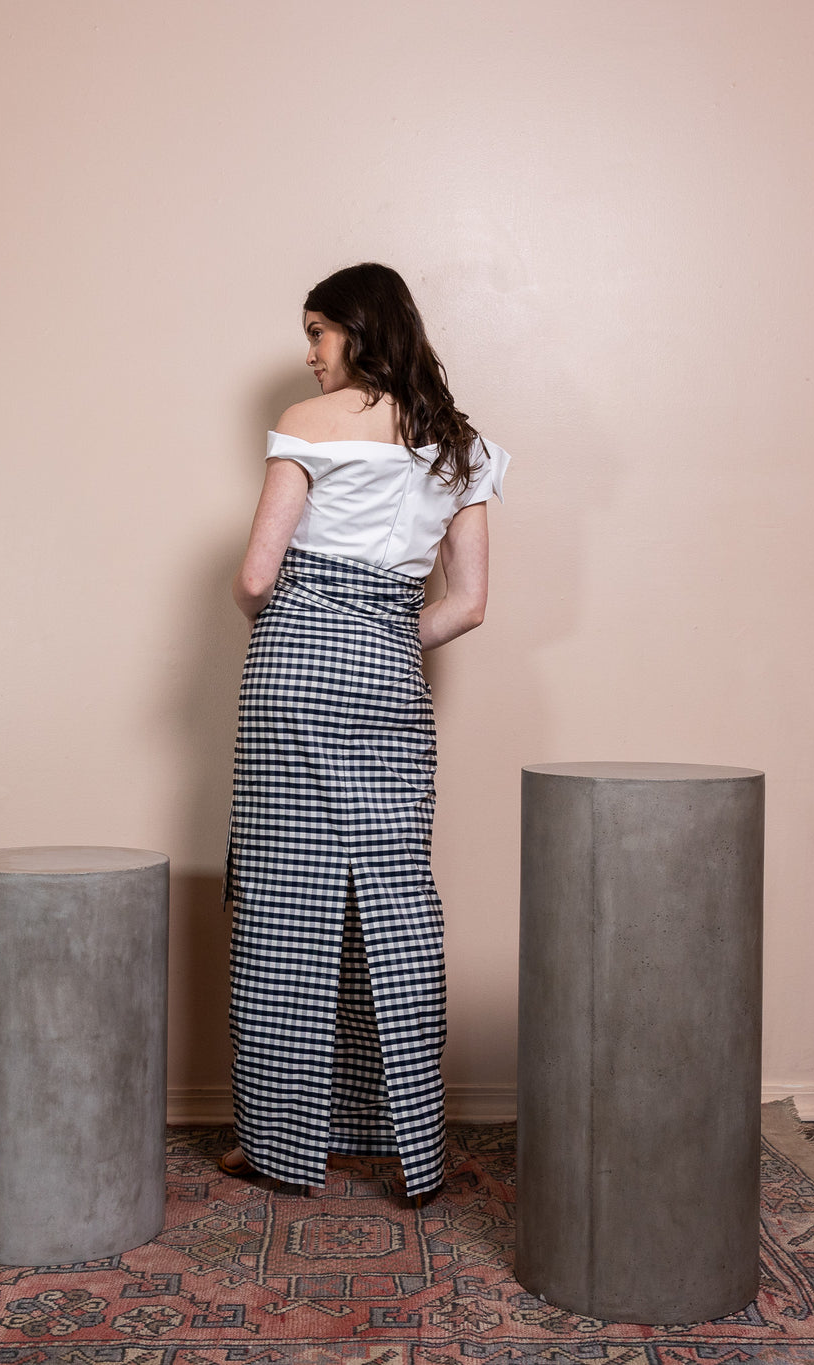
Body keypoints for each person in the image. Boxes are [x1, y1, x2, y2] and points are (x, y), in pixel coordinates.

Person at [221, 262, 508, 1200]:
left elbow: (258, 578)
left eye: (318, 333)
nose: (310, 355)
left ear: (360, 329)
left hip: (297, 668)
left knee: (284, 897)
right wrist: (382, 633)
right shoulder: (466, 448)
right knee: (390, 893)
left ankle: (280, 1143)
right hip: (390, 675)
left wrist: (314, 620)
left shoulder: (310, 426)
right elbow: (465, 606)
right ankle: (405, 1142)